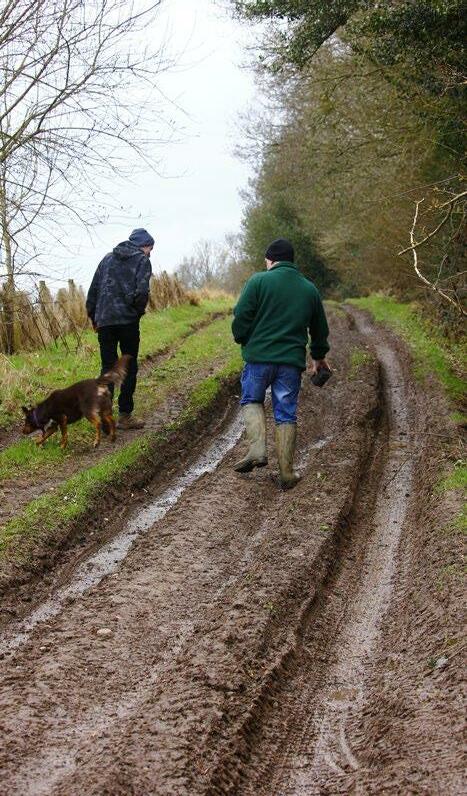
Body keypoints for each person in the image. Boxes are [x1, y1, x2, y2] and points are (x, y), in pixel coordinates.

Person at [232, 238, 330, 489]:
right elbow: (319, 329)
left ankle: (257, 450)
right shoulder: (309, 289)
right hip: (290, 362)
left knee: (252, 399)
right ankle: (286, 472)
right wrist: (318, 357)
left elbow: (242, 315)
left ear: (270, 260)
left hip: (258, 359)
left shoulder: (258, 281)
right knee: (285, 412)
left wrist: (242, 337)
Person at [86, 227, 154, 430]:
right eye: (150, 249)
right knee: (129, 366)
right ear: (144, 245)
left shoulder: (107, 259)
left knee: (108, 368)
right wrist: (136, 313)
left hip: (105, 321)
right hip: (127, 322)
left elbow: (93, 291)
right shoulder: (142, 260)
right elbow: (142, 293)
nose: (150, 253)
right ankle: (125, 416)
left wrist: (94, 318)